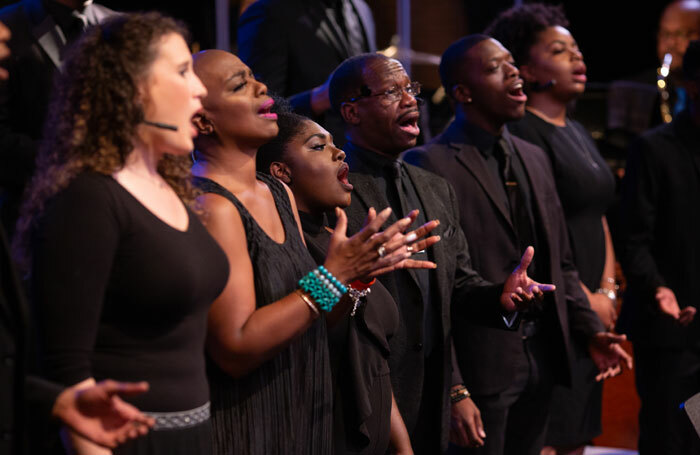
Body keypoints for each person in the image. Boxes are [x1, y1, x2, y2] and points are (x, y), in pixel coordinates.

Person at [190, 49, 428, 455]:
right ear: (202, 121)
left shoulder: (278, 193)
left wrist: (357, 276)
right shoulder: (211, 206)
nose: (261, 87)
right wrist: (332, 277)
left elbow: (313, 323)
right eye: (239, 84)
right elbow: (235, 349)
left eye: (254, 77)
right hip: (251, 429)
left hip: (306, 420)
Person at [403, 35, 632, 455]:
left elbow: (559, 262)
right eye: (495, 67)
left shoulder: (533, 156)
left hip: (543, 360)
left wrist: (592, 332)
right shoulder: (428, 163)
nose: (513, 72)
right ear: (462, 92)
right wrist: (454, 388)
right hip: (481, 370)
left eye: (513, 63)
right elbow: (432, 294)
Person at [13, 12, 227, 455]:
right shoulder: (87, 198)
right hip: (127, 443)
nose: (200, 88)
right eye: (183, 71)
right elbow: (67, 373)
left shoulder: (172, 188)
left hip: (194, 437)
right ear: (134, 86)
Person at [328, 52, 558, 454]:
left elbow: (459, 284)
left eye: (411, 90)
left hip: (431, 399)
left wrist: (500, 296)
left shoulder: (434, 187)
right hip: (364, 399)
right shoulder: (334, 191)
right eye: (392, 92)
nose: (410, 100)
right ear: (352, 111)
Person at [485, 5, 618, 453]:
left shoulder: (577, 130)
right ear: (524, 68)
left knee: (579, 434)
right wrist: (584, 299)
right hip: (555, 315)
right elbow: (536, 234)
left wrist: (610, 291)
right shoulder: (523, 136)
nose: (576, 58)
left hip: (593, 310)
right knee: (549, 435)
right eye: (559, 50)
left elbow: (597, 213)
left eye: (576, 48)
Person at [257, 106, 428, 454]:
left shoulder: (340, 242)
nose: (339, 152)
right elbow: (314, 337)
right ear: (281, 172)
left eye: (334, 144)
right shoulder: (282, 248)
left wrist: (403, 446)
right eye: (319, 146)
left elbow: (370, 361)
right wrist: (348, 278)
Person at [618, 39, 700, 455]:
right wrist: (657, 287)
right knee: (672, 439)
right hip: (671, 334)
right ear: (692, 84)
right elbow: (633, 238)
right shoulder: (653, 148)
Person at [0, 0, 115, 236]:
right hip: (31, 217)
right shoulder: (7, 26)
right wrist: (70, 161)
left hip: (111, 211)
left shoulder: (119, 25)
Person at [237, 0, 375, 146]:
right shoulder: (268, 12)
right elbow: (259, 106)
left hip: (367, 153)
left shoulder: (361, 8)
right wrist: (316, 99)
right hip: (309, 156)